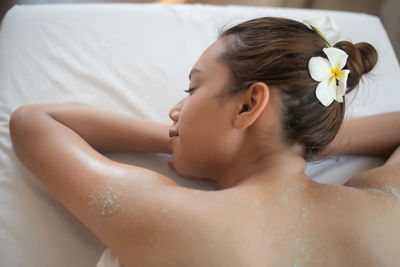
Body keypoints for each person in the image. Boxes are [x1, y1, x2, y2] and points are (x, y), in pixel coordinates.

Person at [9, 15, 400, 267]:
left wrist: (177, 140)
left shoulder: (168, 216)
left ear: (249, 104)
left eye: (193, 88)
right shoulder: (385, 213)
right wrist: (299, 140)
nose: (175, 111)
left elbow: (34, 122)